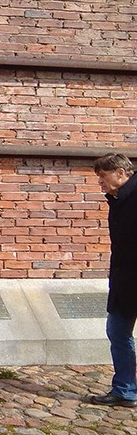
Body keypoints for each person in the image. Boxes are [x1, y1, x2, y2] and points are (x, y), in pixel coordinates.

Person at [91, 152, 137, 407]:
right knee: (117, 332)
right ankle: (125, 390)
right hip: (124, 282)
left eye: (103, 176)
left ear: (121, 173)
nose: (99, 182)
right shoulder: (118, 199)